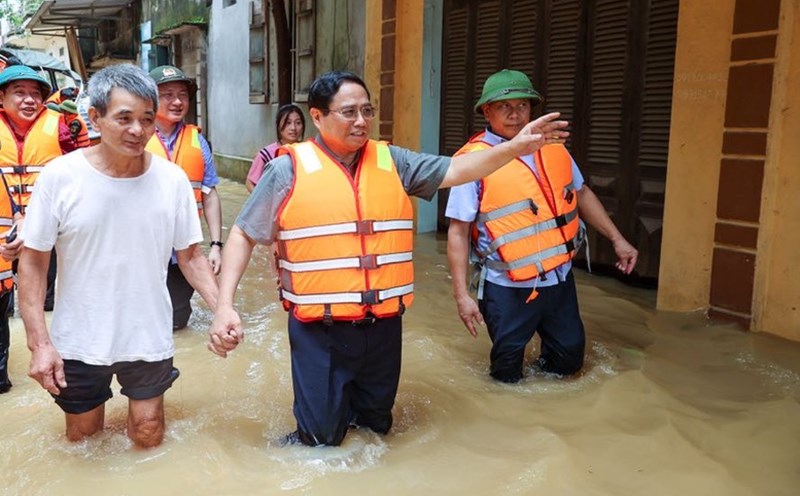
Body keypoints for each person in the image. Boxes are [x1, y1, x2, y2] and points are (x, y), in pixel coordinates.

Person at [208, 71, 569, 447]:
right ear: (317, 116)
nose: (361, 121)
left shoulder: (393, 161)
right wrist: (224, 306)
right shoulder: (286, 168)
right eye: (348, 112)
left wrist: (514, 148)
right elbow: (244, 233)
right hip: (321, 331)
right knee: (320, 441)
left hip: (383, 327)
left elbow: (458, 169)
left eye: (367, 110)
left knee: (376, 430)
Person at [18, 64, 218, 448]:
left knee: (148, 432)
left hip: (148, 331)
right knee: (84, 438)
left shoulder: (171, 180)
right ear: (95, 117)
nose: (138, 130)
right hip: (79, 336)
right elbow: (34, 261)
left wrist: (221, 307)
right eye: (124, 118)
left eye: (146, 119)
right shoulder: (60, 177)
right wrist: (39, 344)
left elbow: (191, 256)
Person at [446, 69, 639, 384]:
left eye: (522, 105)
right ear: (487, 111)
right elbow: (458, 231)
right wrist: (461, 296)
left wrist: (618, 239)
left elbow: (581, 192)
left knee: (568, 361)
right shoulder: (474, 161)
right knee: (506, 373)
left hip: (558, 279)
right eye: (505, 106)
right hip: (507, 286)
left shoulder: (552, 147)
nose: (515, 113)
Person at [0, 64, 79, 391]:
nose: (29, 100)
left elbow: (82, 176)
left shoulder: (62, 128)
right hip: (3, 237)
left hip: (48, 233)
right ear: (1, 97)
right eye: (20, 92)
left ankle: (60, 366)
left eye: (36, 93)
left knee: (54, 300)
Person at [145, 65, 223, 330]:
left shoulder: (197, 141)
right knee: (144, 319)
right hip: (143, 249)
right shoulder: (135, 137)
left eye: (182, 95)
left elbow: (210, 193)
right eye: (167, 94)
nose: (177, 102)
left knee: (177, 321)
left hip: (183, 251)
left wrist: (215, 244)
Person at [245, 103, 306, 192]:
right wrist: (263, 202)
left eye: (298, 123)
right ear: (278, 125)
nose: (293, 128)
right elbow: (250, 182)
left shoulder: (307, 152)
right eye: (288, 123)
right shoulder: (265, 154)